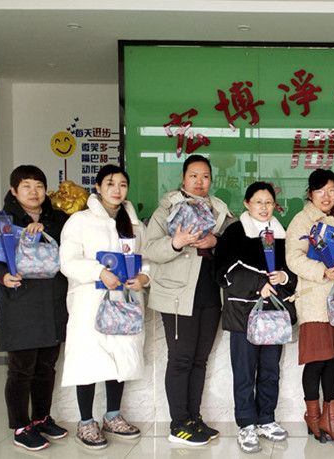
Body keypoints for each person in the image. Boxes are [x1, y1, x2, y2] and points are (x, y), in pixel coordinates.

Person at [143, 154, 236, 446]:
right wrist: (176, 242)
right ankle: (178, 424)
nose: (199, 181)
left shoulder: (220, 210)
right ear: (183, 178)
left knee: (199, 360)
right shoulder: (166, 209)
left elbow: (237, 244)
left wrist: (216, 241)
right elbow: (150, 249)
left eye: (205, 176)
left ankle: (193, 419)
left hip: (210, 293)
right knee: (181, 359)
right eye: (194, 175)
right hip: (177, 294)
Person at [0, 165, 69, 451]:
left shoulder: (59, 219)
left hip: (53, 301)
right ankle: (20, 426)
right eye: (26, 186)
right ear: (14, 190)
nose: (34, 192)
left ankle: (41, 419)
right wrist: (2, 276)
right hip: (20, 303)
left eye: (39, 186)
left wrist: (47, 229)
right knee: (21, 369)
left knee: (46, 367)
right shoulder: (3, 222)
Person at [59, 164, 150, 450]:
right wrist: (98, 271)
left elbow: (147, 259)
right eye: (110, 183)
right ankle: (86, 421)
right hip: (90, 302)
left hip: (125, 300)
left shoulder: (135, 224)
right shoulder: (80, 221)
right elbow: (68, 261)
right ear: (98, 187)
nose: (117, 190)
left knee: (120, 358)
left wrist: (144, 277)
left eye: (122, 184)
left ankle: (113, 416)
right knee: (88, 360)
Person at [215, 182, 297, 454]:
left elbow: (294, 268)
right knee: (244, 372)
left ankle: (266, 419)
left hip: (273, 315)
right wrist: (258, 283)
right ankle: (246, 424)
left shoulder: (282, 234)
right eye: (258, 202)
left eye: (269, 202)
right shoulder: (234, 233)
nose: (264, 207)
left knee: (271, 370)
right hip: (244, 315)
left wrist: (284, 277)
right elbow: (224, 271)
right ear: (247, 204)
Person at [285, 169, 334, 448]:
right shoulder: (301, 220)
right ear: (310, 193)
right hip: (315, 300)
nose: (326, 196)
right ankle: (313, 416)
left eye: (332, 190)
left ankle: (330, 419)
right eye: (320, 190)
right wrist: (321, 271)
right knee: (316, 360)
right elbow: (293, 258)